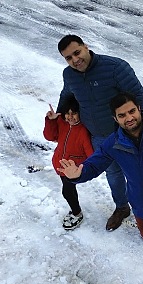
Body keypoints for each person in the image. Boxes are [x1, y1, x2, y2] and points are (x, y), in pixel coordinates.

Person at [59, 92, 143, 284]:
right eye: (122, 115)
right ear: (115, 119)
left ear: (139, 109)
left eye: (132, 111)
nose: (129, 117)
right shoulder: (113, 143)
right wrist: (79, 174)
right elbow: (94, 164)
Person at [57, 33, 143, 231]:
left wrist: (131, 129)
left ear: (86, 46)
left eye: (77, 53)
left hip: (127, 135)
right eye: (68, 58)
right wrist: (59, 114)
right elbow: (67, 94)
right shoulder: (69, 74)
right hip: (98, 136)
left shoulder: (115, 67)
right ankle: (122, 208)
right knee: (113, 174)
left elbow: (138, 98)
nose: (75, 60)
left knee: (138, 175)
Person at [43, 97, 93, 230]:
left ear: (80, 113)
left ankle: (77, 213)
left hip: (72, 170)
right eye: (67, 113)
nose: (70, 117)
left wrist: (83, 169)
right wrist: (52, 121)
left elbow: (91, 155)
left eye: (74, 113)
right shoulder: (62, 123)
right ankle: (76, 211)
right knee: (69, 190)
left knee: (67, 191)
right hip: (60, 165)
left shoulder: (83, 131)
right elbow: (49, 136)